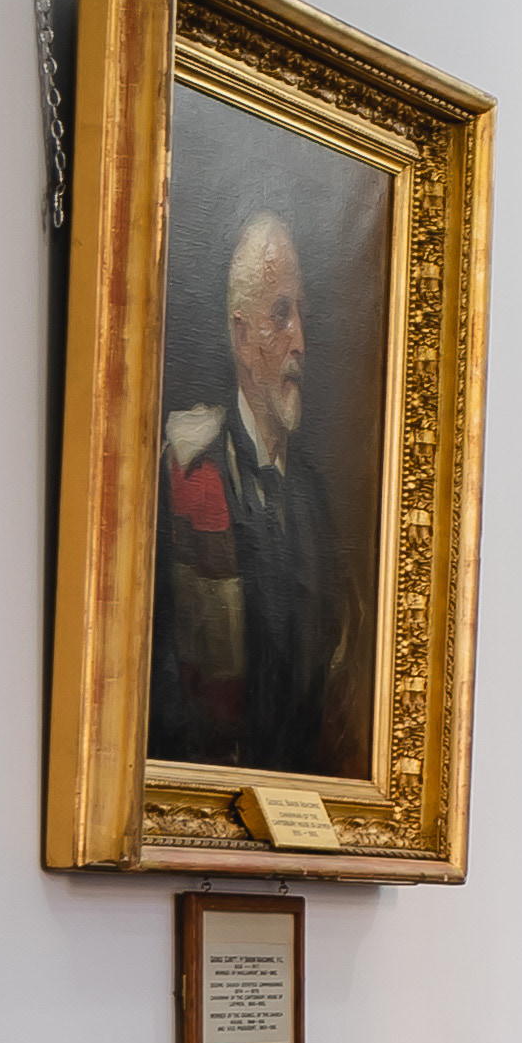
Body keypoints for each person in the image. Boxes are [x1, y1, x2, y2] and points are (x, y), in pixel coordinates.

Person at [150, 207, 358, 776]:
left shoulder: (313, 499)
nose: (300, 342)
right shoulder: (187, 477)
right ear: (242, 336)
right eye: (281, 315)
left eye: (301, 316)